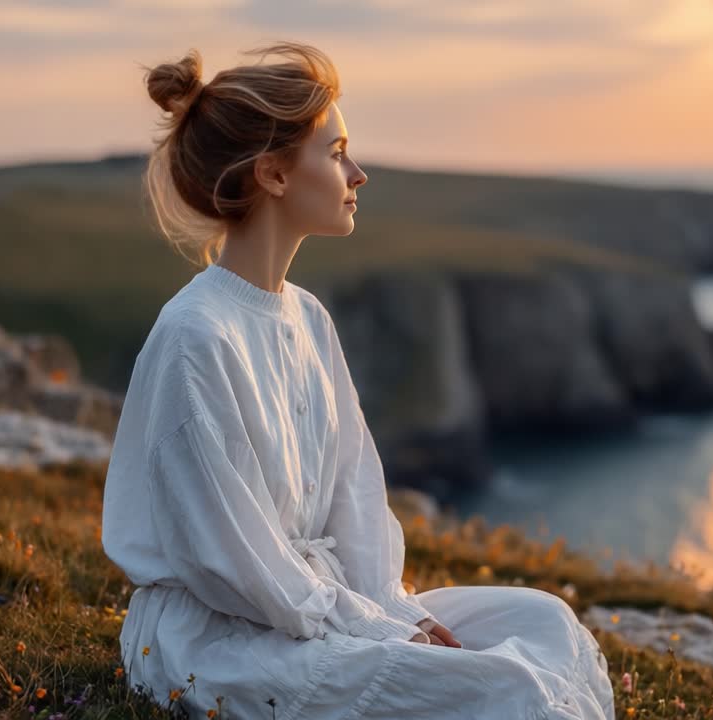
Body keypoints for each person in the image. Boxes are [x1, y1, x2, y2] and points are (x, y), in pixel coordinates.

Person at [101, 40, 615, 719]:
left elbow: (355, 496)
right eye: (337, 152)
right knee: (506, 689)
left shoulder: (309, 318)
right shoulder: (195, 336)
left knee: (546, 622)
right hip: (218, 638)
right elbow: (231, 563)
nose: (358, 173)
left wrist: (393, 610)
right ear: (274, 174)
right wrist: (377, 629)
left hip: (324, 605)